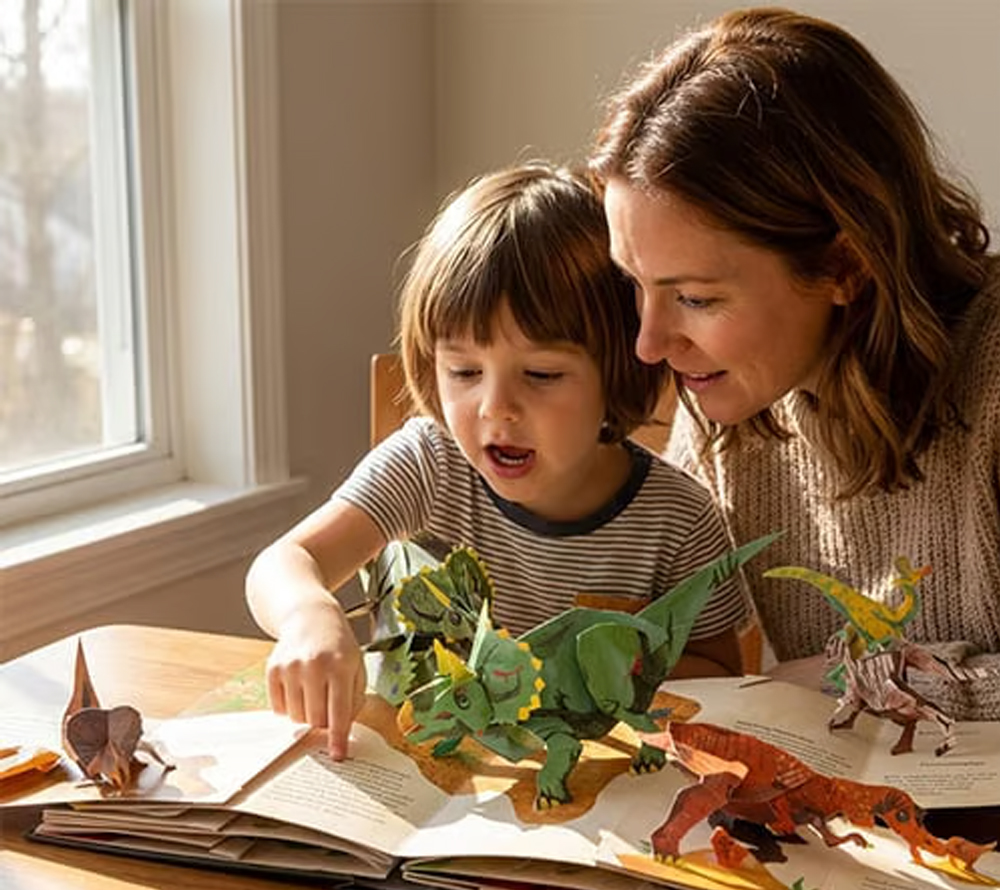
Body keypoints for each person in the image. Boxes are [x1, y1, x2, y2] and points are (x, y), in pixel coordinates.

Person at [245, 161, 750, 759]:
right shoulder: (429, 464)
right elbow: (283, 561)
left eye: (541, 374)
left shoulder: (680, 520)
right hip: (418, 775)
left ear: (619, 370)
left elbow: (726, 681)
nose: (496, 408)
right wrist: (308, 613)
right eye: (463, 372)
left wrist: (604, 672)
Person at [589, 7, 999, 684]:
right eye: (635, 283)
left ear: (845, 265)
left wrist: (840, 682)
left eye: (695, 297)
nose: (650, 344)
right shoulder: (730, 407)